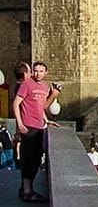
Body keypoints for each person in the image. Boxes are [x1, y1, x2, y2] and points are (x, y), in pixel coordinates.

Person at [12, 60, 59, 202]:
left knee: (36, 159)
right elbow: (16, 104)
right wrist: (20, 124)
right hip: (28, 126)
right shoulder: (27, 84)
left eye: (41, 71)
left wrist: (46, 119)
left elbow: (41, 106)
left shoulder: (44, 87)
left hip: (39, 126)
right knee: (29, 159)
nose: (38, 73)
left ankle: (26, 189)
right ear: (32, 72)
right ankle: (27, 192)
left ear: (46, 73)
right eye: (36, 71)